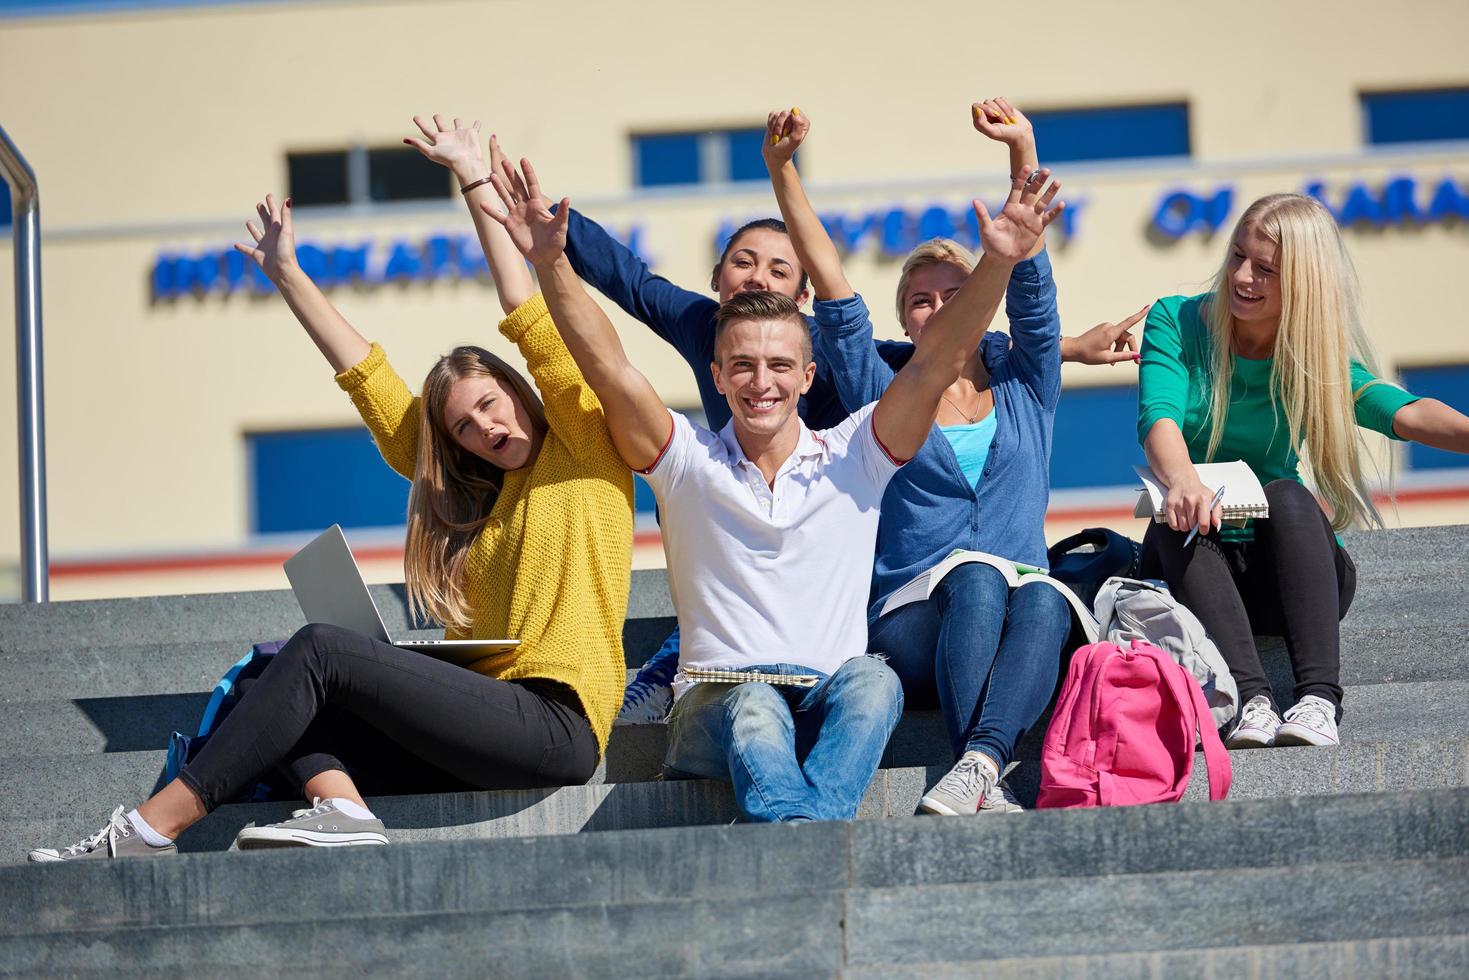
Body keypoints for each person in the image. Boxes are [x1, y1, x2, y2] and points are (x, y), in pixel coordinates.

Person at [27, 116, 632, 862]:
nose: (484, 428)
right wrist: (288, 274)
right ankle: (342, 813)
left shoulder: (584, 446)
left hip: (553, 722)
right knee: (262, 690)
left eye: (490, 404)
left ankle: (147, 831)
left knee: (318, 651)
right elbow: (371, 383)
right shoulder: (479, 500)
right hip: (484, 724)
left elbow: (530, 317)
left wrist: (472, 179)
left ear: (517, 388)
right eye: (466, 427)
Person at [481, 152, 1063, 822]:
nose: (763, 382)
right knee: (755, 701)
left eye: (780, 365)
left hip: (826, 701)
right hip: (717, 707)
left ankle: (793, 830)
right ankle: (806, 835)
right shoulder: (685, 461)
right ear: (718, 376)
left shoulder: (855, 456)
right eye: (743, 366)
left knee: (874, 680)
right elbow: (606, 366)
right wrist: (552, 263)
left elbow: (933, 364)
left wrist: (998, 264)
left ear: (809, 376)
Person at [763, 104, 1135, 816]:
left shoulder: (1029, 381)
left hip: (1019, 619)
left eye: (954, 293)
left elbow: (1031, 290)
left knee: (1042, 593)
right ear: (904, 321)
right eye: (919, 301)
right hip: (913, 617)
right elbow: (832, 285)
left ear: (981, 300)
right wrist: (783, 171)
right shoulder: (880, 387)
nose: (936, 308)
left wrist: (1020, 148)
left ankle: (978, 765)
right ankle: (983, 763)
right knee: (976, 577)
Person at [1136, 192, 1469, 749]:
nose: (1242, 276)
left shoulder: (1313, 351)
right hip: (1199, 570)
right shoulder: (1176, 320)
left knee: (1290, 494)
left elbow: (1402, 412)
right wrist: (1185, 479)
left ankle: (1318, 701)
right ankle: (1253, 700)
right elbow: (1158, 417)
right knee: (1174, 520)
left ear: (1304, 280)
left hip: (1286, 573)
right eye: (1239, 255)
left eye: (1265, 269)